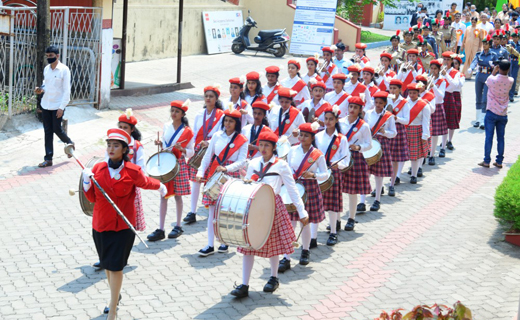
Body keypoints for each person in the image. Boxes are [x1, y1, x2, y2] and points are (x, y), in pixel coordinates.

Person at [82, 128, 165, 320]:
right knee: (107, 265)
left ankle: (112, 310)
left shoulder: (132, 171)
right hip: (101, 225)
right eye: (109, 145)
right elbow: (92, 197)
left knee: (116, 266)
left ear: (125, 149)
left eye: (116, 145)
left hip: (123, 226)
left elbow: (145, 182)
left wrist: (160, 186)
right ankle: (115, 296)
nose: (111, 148)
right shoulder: (97, 169)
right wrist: (86, 182)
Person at [230, 131, 308, 298]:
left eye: (267, 145)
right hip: (253, 207)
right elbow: (248, 184)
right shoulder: (254, 162)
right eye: (261, 145)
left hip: (273, 206)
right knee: (248, 246)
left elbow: (292, 189)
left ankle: (274, 278)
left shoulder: (281, 165)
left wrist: (302, 211)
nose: (263, 148)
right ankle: (244, 284)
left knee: (273, 245)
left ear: (274, 147)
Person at [196, 108, 248, 256]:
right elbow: (207, 156)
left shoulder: (242, 140)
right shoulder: (217, 136)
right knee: (212, 210)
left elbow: (242, 161)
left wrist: (226, 168)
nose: (228, 123)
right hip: (215, 173)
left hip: (230, 176)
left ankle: (225, 242)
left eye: (231, 121)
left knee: (227, 211)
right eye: (226, 120)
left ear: (236, 123)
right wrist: (200, 172)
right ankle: (210, 244)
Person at [147, 100, 194, 242]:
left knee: (178, 196)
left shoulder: (187, 131)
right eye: (172, 111)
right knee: (163, 195)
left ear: (183, 114)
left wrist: (183, 150)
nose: (173, 114)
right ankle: (161, 229)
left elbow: (191, 152)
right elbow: (165, 144)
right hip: (166, 162)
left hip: (178, 163)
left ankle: (178, 226)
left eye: (177, 111)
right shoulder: (167, 126)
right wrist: (160, 144)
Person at [282, 122, 327, 266]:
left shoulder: (317, 155)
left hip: (309, 187)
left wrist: (313, 175)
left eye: (306, 135)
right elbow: (287, 168)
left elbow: (325, 174)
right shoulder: (292, 150)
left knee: (305, 222)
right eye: (301, 134)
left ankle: (305, 250)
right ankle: (286, 257)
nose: (302, 138)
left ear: (312, 138)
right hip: (294, 187)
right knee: (290, 222)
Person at [184, 85, 225, 224]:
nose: (208, 99)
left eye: (211, 96)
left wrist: (209, 142)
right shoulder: (199, 114)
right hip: (199, 150)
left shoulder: (221, 115)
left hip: (213, 152)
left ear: (216, 98)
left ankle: (214, 210)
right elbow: (195, 132)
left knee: (212, 182)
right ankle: (192, 211)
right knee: (196, 181)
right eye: (206, 96)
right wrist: (194, 147)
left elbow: (221, 134)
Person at [35, 46, 74, 168]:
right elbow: (46, 85)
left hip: (57, 105)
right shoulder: (47, 69)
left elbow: (67, 91)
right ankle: (48, 158)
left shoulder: (64, 70)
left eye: (51, 56)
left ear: (57, 56)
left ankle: (69, 142)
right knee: (47, 132)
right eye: (47, 56)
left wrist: (62, 108)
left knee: (57, 129)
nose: (49, 58)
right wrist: (40, 89)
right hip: (46, 104)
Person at [316, 105, 350, 244]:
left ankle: (333, 232)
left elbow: (346, 160)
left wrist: (339, 165)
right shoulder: (317, 137)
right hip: (320, 172)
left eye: (331, 119)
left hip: (334, 172)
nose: (328, 121)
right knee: (318, 202)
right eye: (326, 119)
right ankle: (313, 236)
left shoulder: (342, 139)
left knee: (333, 204)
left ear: (336, 120)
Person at [339, 96, 372, 228]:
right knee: (337, 190)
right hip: (340, 157)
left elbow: (369, 144)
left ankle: (351, 218)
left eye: (355, 107)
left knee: (352, 191)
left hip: (355, 158)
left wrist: (358, 147)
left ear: (360, 110)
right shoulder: (340, 122)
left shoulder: (363, 126)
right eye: (350, 106)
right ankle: (336, 220)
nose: (352, 109)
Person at [365, 91, 396, 212]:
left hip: (382, 144)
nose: (378, 105)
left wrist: (385, 133)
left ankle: (377, 199)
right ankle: (362, 201)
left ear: (385, 103)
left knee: (379, 174)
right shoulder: (368, 113)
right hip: (369, 143)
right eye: (376, 102)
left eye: (380, 103)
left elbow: (394, 133)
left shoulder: (389, 116)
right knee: (365, 173)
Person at [478, 59, 512, 168]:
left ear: (499, 68)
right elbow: (506, 77)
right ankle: (499, 161)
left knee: (489, 137)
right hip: (503, 114)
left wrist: (494, 70)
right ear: (509, 69)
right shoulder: (511, 80)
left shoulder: (492, 79)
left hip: (491, 112)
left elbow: (488, 80)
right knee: (501, 138)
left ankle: (486, 161)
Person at [467, 36, 499, 130]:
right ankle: (477, 119)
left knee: (485, 98)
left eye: (486, 44)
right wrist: (471, 68)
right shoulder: (479, 54)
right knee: (478, 97)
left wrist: (493, 65)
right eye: (483, 44)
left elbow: (497, 64)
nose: (484, 45)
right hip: (479, 76)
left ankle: (483, 120)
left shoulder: (493, 55)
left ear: (489, 45)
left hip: (488, 77)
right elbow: (474, 62)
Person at [387, 79, 410, 196]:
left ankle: (392, 183)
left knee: (394, 158)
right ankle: (380, 185)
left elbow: (407, 120)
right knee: (385, 158)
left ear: (400, 90)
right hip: (386, 129)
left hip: (398, 129)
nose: (392, 90)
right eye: (391, 88)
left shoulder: (404, 102)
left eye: (395, 88)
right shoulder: (386, 99)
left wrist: (397, 119)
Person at [404, 83, 431, 185]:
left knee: (415, 155)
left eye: (414, 93)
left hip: (417, 130)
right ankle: (397, 175)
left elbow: (426, 121)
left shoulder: (424, 105)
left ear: (418, 93)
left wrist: (425, 135)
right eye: (410, 93)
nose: (412, 95)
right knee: (401, 154)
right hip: (406, 130)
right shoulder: (405, 102)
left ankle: (414, 175)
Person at [427, 60, 448, 165]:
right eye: (432, 68)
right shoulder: (427, 78)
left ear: (439, 70)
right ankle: (427, 150)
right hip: (427, 105)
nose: (433, 71)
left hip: (437, 106)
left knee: (434, 133)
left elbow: (441, 96)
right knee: (427, 131)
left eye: (435, 69)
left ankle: (432, 154)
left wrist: (433, 86)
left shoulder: (442, 81)